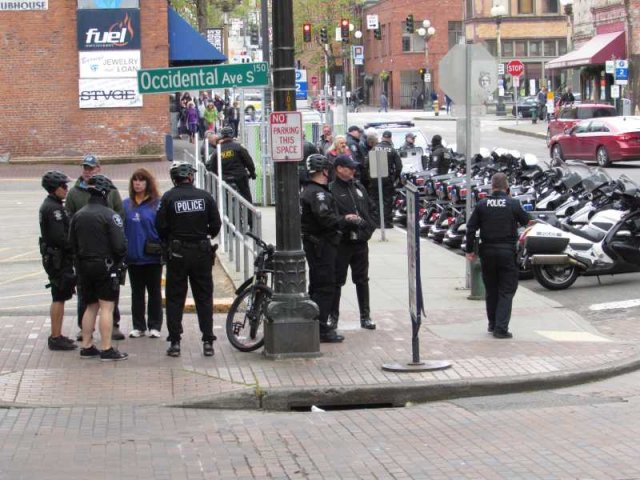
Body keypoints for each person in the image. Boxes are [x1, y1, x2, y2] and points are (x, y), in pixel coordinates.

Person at [155, 162, 222, 358]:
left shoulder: (168, 197)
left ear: (174, 179)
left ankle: (175, 341)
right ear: (190, 177)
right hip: (201, 252)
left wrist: (171, 239)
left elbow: (160, 226)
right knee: (204, 297)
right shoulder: (205, 196)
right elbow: (216, 225)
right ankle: (208, 341)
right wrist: (203, 235)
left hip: (177, 253)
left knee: (175, 298)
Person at [300, 154, 361, 343]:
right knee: (325, 287)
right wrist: (345, 220)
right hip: (322, 245)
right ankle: (320, 329)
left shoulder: (307, 190)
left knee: (317, 285)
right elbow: (325, 219)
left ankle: (314, 323)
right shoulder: (318, 194)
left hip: (316, 244)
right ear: (324, 171)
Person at [69, 175, 128, 361]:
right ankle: (106, 348)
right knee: (107, 308)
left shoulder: (78, 215)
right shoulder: (110, 216)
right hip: (105, 265)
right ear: (104, 193)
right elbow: (119, 246)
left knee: (90, 306)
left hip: (84, 266)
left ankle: (86, 345)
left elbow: (72, 244)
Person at [464, 172, 531, 339]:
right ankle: (501, 329)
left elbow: (470, 228)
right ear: (507, 188)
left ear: (492, 187)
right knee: (506, 290)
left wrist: (469, 250)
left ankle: (492, 323)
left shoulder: (482, 204)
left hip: (487, 252)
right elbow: (528, 222)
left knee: (491, 289)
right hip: (507, 252)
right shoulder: (513, 203)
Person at [329, 155, 377, 331]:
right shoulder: (331, 189)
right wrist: (344, 221)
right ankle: (333, 317)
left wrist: (369, 228)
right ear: (340, 169)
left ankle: (365, 316)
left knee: (362, 280)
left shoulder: (358, 186)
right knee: (337, 281)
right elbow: (330, 218)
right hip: (342, 243)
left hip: (361, 243)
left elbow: (371, 209)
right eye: (350, 168)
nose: (353, 171)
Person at [39, 171, 77, 351]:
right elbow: (59, 237)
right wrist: (75, 247)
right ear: (55, 188)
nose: (66, 189)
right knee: (58, 295)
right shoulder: (53, 209)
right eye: (63, 186)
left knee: (61, 295)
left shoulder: (53, 205)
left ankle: (58, 334)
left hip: (57, 257)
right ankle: (55, 336)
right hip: (57, 258)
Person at [123, 168, 163, 339]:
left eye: (141, 180)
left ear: (148, 183)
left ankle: (155, 326)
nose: (138, 183)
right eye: (135, 180)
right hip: (133, 256)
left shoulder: (157, 204)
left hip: (152, 257)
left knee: (154, 292)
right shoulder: (126, 204)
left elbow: (162, 228)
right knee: (137, 293)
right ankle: (138, 326)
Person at [206, 126, 257, 205]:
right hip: (240, 177)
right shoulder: (239, 147)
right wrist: (252, 174)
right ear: (232, 135)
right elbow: (249, 162)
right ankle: (249, 215)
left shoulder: (217, 151)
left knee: (223, 199)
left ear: (222, 136)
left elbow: (211, 166)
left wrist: (218, 174)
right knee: (247, 198)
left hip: (224, 178)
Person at [371, 130, 402, 228]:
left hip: (375, 178)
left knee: (376, 200)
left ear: (382, 138)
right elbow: (399, 167)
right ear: (390, 138)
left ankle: (376, 221)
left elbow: (367, 163)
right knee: (387, 201)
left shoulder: (374, 148)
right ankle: (386, 222)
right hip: (387, 178)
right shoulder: (392, 150)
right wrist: (395, 178)